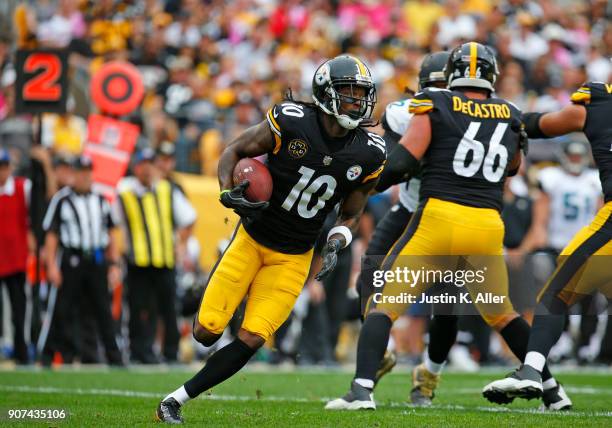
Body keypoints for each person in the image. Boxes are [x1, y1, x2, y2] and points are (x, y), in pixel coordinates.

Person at [326, 42, 567, 411]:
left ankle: (361, 391)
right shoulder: (509, 112)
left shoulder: (432, 105)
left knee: (384, 303)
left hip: (437, 215)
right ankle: (552, 391)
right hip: (486, 222)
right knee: (501, 312)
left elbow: (400, 162)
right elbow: (513, 167)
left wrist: (357, 186)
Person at [156, 55, 386, 424]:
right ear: (326, 93)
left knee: (253, 337)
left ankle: (174, 400)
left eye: (362, 95)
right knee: (205, 332)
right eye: (348, 93)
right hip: (252, 238)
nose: (356, 103)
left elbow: (352, 211)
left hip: (294, 257)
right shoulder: (293, 121)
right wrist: (225, 190)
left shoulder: (370, 151)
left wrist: (339, 239)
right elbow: (233, 151)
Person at [483, 79, 611, 408]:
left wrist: (490, 116)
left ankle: (531, 370)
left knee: (554, 295)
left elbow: (537, 125)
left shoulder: (598, 103)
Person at [354, 50, 450, 381]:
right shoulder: (405, 113)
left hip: (449, 217)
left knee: (448, 307)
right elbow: (393, 160)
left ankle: (430, 373)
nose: (439, 92)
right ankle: (379, 353)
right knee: (369, 278)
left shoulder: (472, 118)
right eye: (434, 85)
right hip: (409, 209)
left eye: (445, 85)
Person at [115, 148, 196, 364]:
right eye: (143, 164)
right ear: (136, 167)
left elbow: (189, 218)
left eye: (151, 163)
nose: (147, 168)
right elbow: (114, 225)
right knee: (139, 308)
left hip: (165, 260)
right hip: (137, 262)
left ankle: (170, 352)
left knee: (169, 308)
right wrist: (117, 255)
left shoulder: (167, 190)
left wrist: (182, 244)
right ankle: (139, 351)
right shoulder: (124, 192)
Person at [40, 155, 123, 365]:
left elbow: (111, 233)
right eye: (80, 171)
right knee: (61, 308)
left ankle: (114, 358)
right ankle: (47, 356)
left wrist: (113, 264)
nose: (85, 176)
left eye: (88, 171)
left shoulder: (101, 200)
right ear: (73, 174)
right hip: (72, 259)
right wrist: (51, 266)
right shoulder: (62, 199)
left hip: (96, 260)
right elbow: (52, 235)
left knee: (103, 310)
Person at [0, 148, 32, 364]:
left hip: (16, 258)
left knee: (19, 310)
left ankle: (21, 351)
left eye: (4, 167)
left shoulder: (22, 187)